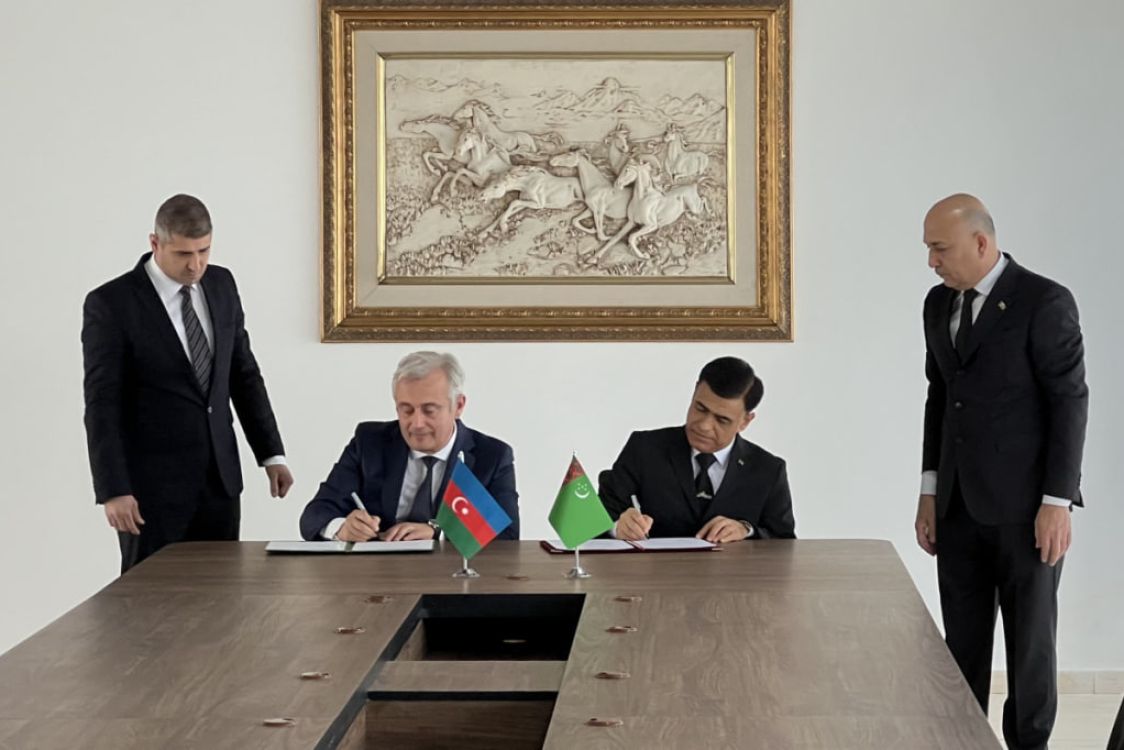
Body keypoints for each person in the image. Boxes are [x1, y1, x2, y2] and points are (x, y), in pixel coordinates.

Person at [914, 193, 1088, 750]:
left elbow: (1069, 401)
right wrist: (929, 491)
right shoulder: (937, 305)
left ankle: (1029, 746)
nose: (932, 262)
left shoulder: (1044, 301)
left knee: (1029, 646)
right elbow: (939, 399)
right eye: (929, 249)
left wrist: (1057, 502)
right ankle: (962, 741)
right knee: (961, 646)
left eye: (940, 249)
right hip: (957, 506)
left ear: (980, 242)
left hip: (1028, 511)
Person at [83, 194, 293, 574]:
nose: (195, 265)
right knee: (150, 599)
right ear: (155, 243)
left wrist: (271, 454)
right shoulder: (112, 304)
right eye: (183, 254)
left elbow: (243, 373)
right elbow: (102, 403)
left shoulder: (222, 284)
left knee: (222, 596)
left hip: (219, 484)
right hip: (150, 492)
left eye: (203, 251)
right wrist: (113, 489)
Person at [299, 351, 519, 542]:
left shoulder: (491, 456)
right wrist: (342, 528)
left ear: (458, 406)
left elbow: (507, 535)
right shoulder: (370, 443)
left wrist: (437, 533)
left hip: (451, 573)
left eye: (429, 411)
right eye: (406, 410)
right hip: (377, 572)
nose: (417, 423)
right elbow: (314, 515)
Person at [598, 356, 795, 542]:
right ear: (694, 393)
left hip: (733, 569)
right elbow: (597, 520)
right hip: (654, 567)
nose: (704, 426)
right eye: (700, 408)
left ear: (745, 421)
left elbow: (784, 541)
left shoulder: (768, 470)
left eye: (722, 420)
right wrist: (617, 528)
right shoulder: (644, 448)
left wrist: (746, 530)